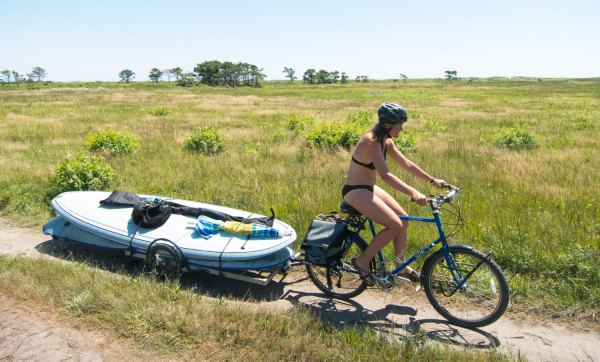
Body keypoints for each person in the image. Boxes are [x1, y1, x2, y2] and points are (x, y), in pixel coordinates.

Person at [342, 102, 446, 285]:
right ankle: (362, 261)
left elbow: (407, 164)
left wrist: (432, 180)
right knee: (394, 225)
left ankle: (401, 265)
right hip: (355, 191)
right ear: (388, 124)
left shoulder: (386, 141)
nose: (402, 129)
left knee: (403, 219)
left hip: (369, 188)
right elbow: (385, 175)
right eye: (400, 124)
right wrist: (413, 192)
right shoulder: (371, 141)